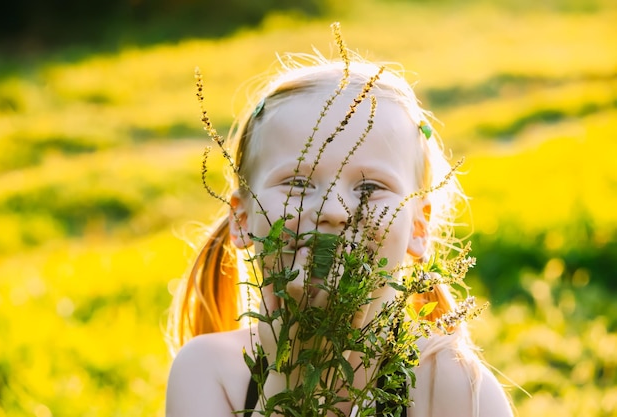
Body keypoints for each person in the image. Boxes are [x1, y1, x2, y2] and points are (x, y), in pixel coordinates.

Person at [165, 28, 514, 417]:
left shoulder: (454, 389)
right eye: (297, 184)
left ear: (418, 228)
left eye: (369, 188)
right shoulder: (207, 372)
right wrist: (291, 375)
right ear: (242, 219)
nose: (333, 210)